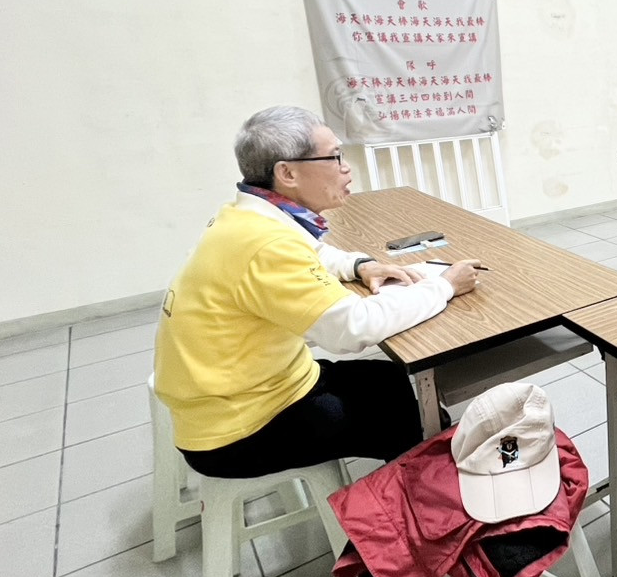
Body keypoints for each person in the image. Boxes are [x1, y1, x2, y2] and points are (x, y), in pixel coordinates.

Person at [154, 105, 480, 480]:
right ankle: (413, 495)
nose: (346, 168)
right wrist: (444, 285)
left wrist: (360, 265)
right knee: (397, 413)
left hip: (246, 387)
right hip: (239, 428)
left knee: (387, 379)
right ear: (287, 173)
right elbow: (353, 329)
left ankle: (417, 451)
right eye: (334, 157)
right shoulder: (266, 244)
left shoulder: (247, 216)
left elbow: (314, 252)